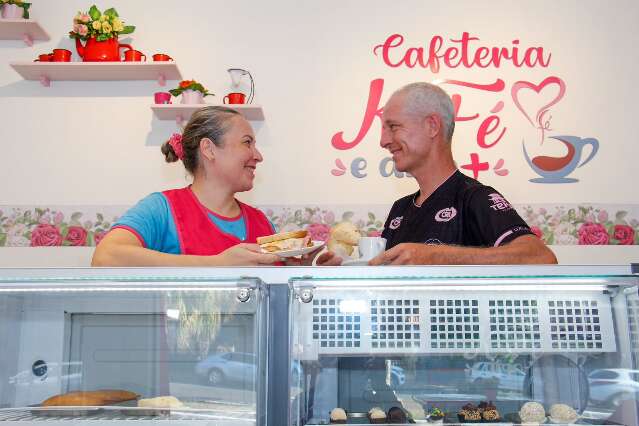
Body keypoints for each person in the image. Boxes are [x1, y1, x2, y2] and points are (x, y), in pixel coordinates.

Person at [92, 106, 338, 267]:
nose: (258, 155)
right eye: (247, 143)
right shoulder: (162, 209)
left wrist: (302, 269)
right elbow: (105, 257)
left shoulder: (260, 222)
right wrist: (216, 264)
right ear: (209, 149)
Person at [369, 82, 557, 265]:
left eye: (393, 127)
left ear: (432, 126)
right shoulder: (400, 209)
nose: (383, 141)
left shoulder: (475, 197)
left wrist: (438, 257)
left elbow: (541, 257)